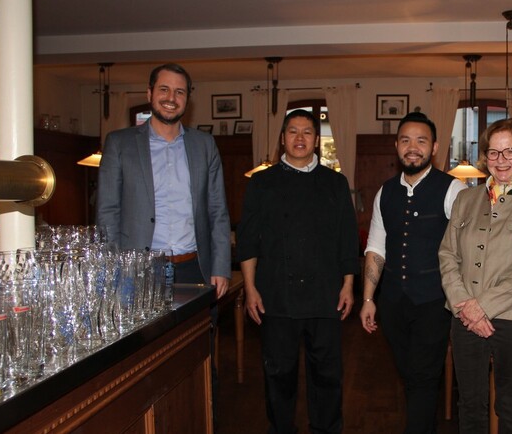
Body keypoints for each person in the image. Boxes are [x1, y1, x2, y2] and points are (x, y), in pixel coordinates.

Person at [236, 109, 359, 434]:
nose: (300, 138)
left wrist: (348, 285)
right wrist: (250, 288)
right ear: (282, 139)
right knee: (278, 375)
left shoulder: (335, 183)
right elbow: (247, 241)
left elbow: (347, 240)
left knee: (327, 376)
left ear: (317, 140)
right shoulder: (262, 182)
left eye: (307, 132)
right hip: (276, 295)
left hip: (325, 295)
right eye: (293, 131)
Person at [439, 118, 512, 433]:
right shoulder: (466, 199)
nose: (501, 161)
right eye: (494, 152)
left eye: (510, 152)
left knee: (509, 403)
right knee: (470, 404)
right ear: (484, 156)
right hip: (464, 317)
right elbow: (447, 254)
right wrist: (464, 304)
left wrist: (482, 306)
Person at [359, 112, 466, 433]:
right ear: (396, 146)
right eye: (405, 140)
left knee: (422, 377)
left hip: (434, 301)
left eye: (421, 140)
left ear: (434, 147)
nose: (413, 147)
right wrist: (367, 298)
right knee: (411, 375)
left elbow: (466, 249)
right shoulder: (385, 192)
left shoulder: (453, 190)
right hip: (392, 301)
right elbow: (376, 247)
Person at [97, 62, 231, 297]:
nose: (171, 97)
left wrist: (221, 268)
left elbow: (217, 211)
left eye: (180, 92)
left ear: (187, 99)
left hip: (194, 268)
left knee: (196, 334)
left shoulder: (204, 145)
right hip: (138, 270)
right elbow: (107, 212)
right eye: (164, 89)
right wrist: (114, 269)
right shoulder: (119, 144)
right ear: (150, 93)